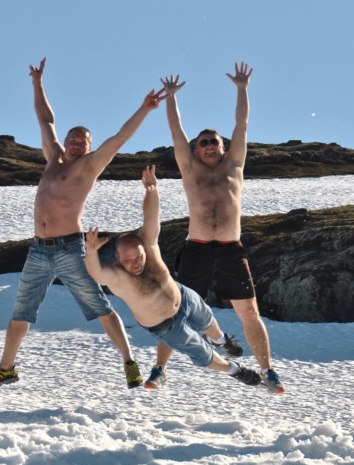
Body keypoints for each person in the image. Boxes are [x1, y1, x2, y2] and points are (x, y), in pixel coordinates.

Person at [0, 58, 164, 392]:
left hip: (69, 248)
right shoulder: (52, 157)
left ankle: (129, 362)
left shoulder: (89, 167)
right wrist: (37, 83)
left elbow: (119, 139)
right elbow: (45, 119)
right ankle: (6, 368)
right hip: (38, 250)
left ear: (91, 148)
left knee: (98, 305)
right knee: (23, 310)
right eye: (73, 140)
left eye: (84, 142)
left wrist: (145, 108)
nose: (77, 145)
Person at [147, 64, 284, 393]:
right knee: (173, 310)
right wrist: (171, 100)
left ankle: (268, 371)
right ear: (196, 149)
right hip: (196, 248)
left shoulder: (234, 166)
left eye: (215, 142)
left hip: (229, 249)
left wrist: (242, 88)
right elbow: (177, 132)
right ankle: (158, 370)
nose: (209, 145)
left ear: (224, 148)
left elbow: (242, 124)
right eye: (204, 142)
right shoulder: (189, 168)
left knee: (249, 310)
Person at [84, 166, 265, 389]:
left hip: (183, 297)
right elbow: (96, 273)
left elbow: (151, 216)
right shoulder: (118, 277)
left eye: (138, 256)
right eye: (128, 260)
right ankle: (235, 370)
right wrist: (91, 252)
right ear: (118, 259)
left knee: (207, 319)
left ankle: (220, 339)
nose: (136, 263)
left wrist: (151, 190)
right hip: (167, 326)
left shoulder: (148, 245)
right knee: (201, 353)